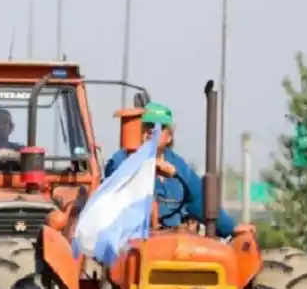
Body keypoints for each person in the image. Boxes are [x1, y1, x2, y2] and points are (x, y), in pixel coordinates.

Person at [104, 102, 249, 238]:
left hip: (172, 243)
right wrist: (147, 165)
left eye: (159, 127)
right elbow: (113, 181)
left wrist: (232, 228)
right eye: (147, 126)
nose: (152, 131)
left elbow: (201, 201)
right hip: (131, 242)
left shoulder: (180, 168)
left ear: (169, 136)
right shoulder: (122, 159)